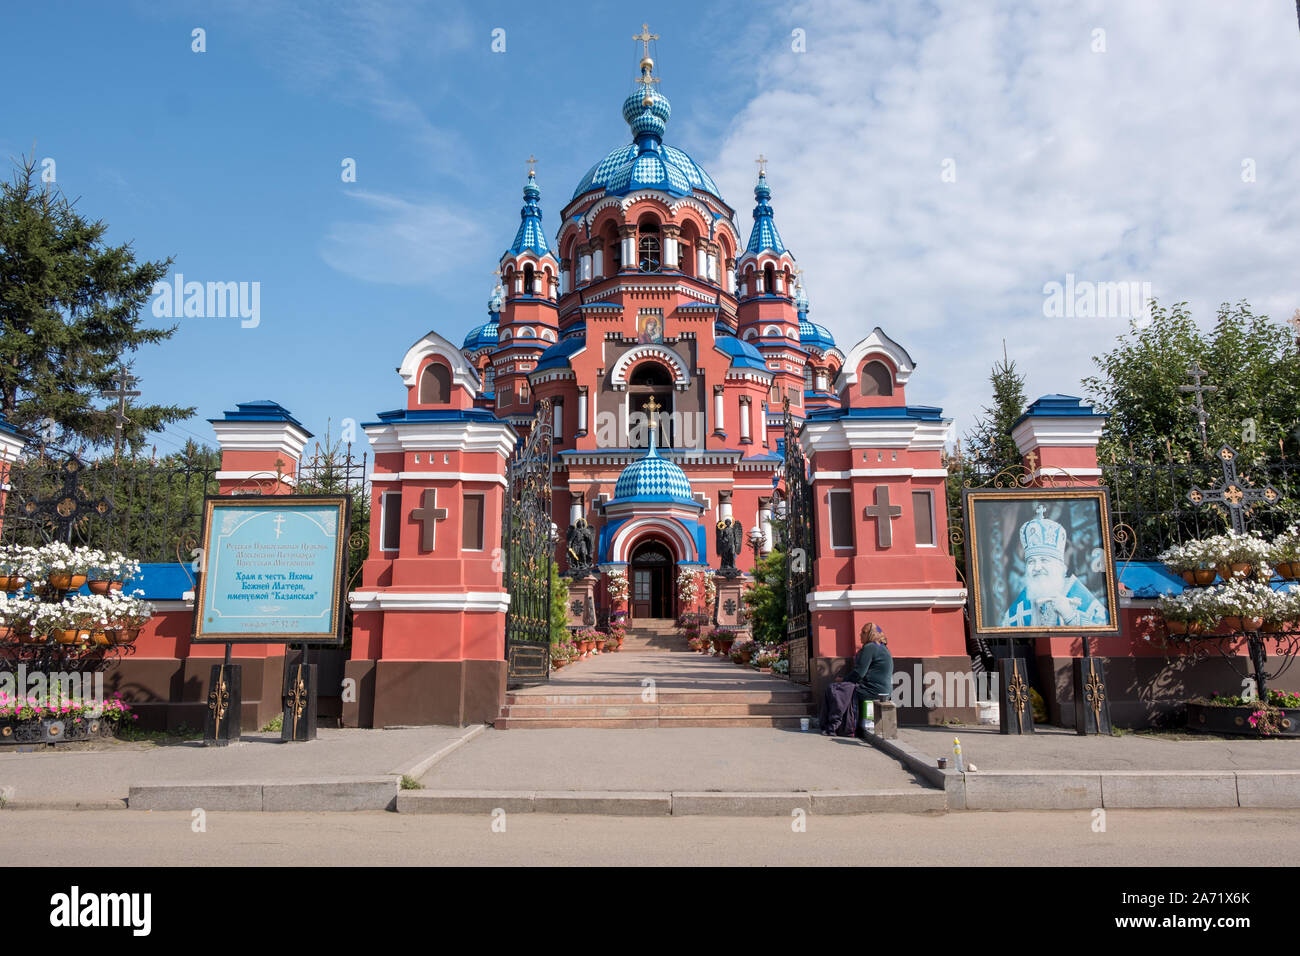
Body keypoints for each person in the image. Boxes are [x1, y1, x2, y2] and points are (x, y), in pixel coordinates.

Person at [999, 505, 1109, 627]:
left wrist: (1070, 615)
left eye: (1044, 560)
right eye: (1031, 562)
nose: (1037, 567)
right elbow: (1004, 627)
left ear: (1059, 565)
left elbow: (1103, 626)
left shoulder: (1076, 591)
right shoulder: (1026, 597)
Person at [845, 622, 893, 719]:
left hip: (872, 690)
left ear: (872, 634)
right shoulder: (882, 647)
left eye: (864, 632)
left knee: (837, 690)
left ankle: (838, 723)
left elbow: (859, 673)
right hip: (884, 691)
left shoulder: (870, 647)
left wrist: (843, 681)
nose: (860, 634)